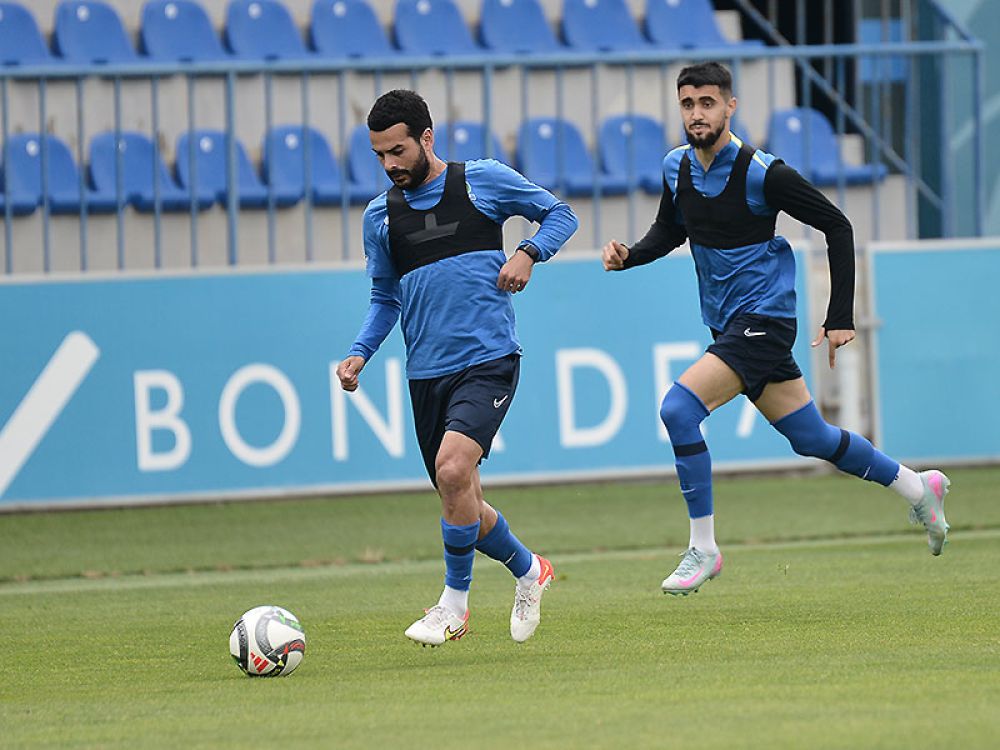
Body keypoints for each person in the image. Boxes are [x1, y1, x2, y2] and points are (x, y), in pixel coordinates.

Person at [601, 62, 950, 596]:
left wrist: (839, 315)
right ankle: (918, 487)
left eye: (707, 103)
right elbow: (670, 230)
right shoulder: (677, 167)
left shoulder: (763, 172)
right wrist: (630, 256)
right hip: (730, 325)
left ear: (730, 106)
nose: (697, 114)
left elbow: (837, 225)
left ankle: (704, 548)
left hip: (765, 319)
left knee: (678, 409)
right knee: (812, 438)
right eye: (688, 104)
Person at [336, 90, 578, 645]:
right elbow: (385, 299)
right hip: (426, 373)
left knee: (451, 470)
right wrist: (360, 351)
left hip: (488, 359)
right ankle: (529, 570)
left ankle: (453, 606)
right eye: (379, 155)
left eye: (398, 150)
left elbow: (561, 214)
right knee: (461, 497)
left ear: (427, 138)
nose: (389, 164)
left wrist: (528, 253)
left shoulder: (481, 181)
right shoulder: (380, 217)